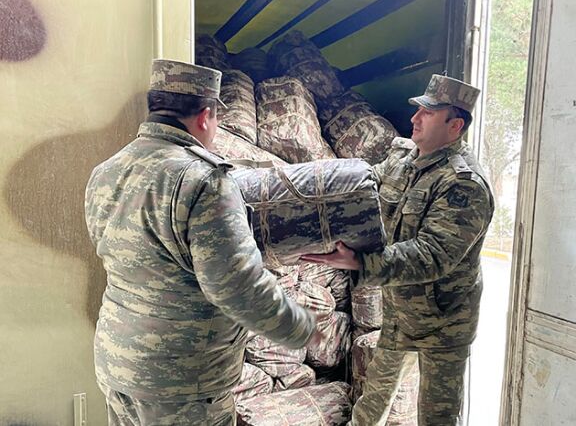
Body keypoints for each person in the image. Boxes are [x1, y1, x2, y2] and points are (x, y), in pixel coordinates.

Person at [85, 59, 317, 425]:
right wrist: (302, 327)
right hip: (181, 381)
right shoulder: (204, 181)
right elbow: (238, 287)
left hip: (117, 363)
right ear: (206, 115)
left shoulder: (106, 171)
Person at [303, 74, 495, 425]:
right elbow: (362, 193)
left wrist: (360, 261)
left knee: (436, 414)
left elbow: (431, 254)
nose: (414, 119)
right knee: (373, 398)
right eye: (418, 110)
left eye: (428, 113)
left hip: (444, 322)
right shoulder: (403, 163)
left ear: (455, 126)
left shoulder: (464, 186)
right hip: (400, 311)